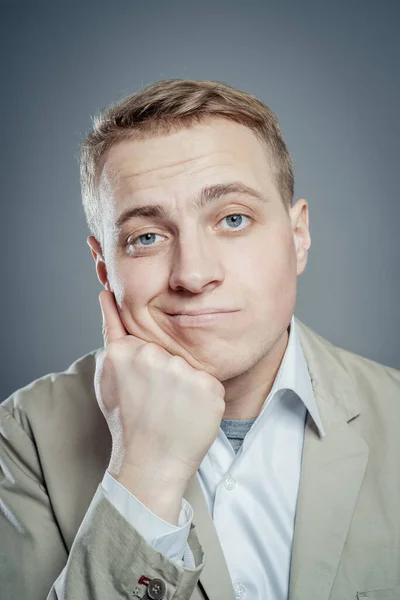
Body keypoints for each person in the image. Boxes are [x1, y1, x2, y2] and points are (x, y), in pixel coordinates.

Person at [1, 79, 399, 600]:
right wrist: (144, 472)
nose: (192, 274)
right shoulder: (21, 437)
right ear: (104, 266)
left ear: (297, 237)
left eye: (233, 219)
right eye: (147, 237)